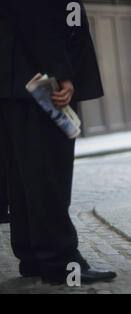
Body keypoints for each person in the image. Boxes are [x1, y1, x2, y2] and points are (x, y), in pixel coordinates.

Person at [0, 0, 116, 284]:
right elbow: (39, 15)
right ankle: (60, 261)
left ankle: (33, 256)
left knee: (26, 175)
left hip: (17, 78)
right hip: (39, 82)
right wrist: (61, 73)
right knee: (48, 174)